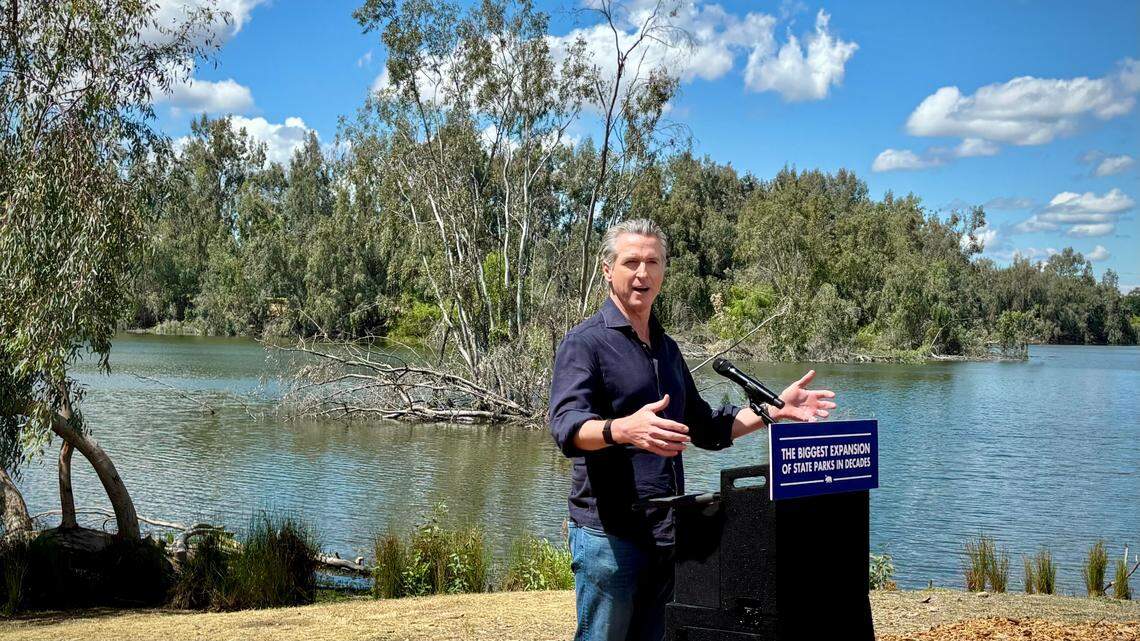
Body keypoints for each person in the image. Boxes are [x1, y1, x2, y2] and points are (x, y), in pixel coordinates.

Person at [547, 219, 838, 641]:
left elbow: (704, 427)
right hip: (609, 535)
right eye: (631, 262)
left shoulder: (667, 349)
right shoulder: (585, 343)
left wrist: (774, 409)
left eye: (653, 262)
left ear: (664, 270)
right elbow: (566, 428)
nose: (642, 273)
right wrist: (622, 429)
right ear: (608, 269)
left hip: (666, 530)